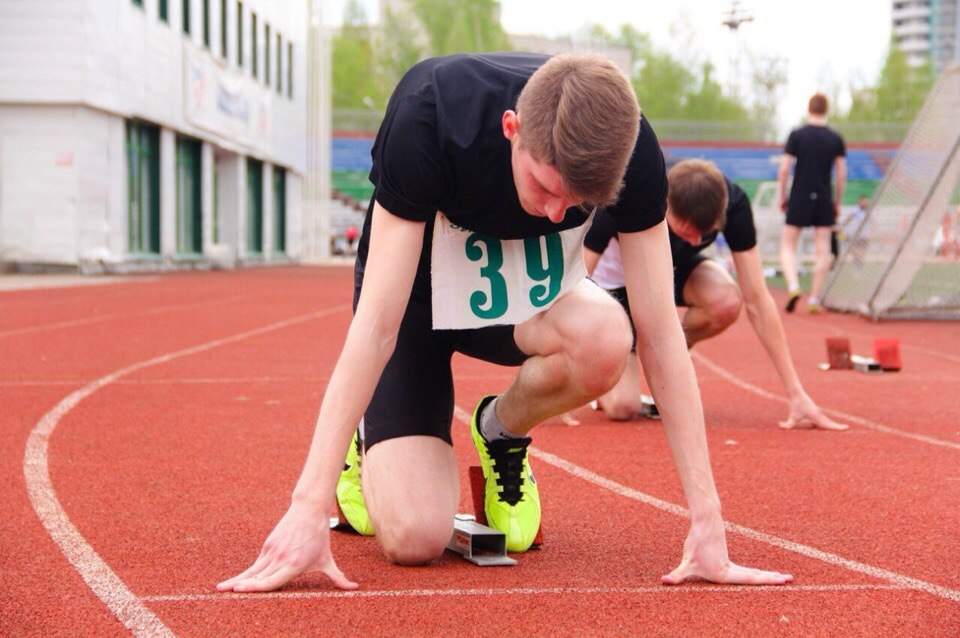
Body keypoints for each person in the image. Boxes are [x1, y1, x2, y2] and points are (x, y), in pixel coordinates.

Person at [217, 52, 791, 593]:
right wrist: (307, 506)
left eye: (579, 203)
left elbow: (661, 333)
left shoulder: (631, 148)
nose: (554, 214)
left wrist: (708, 524)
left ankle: (501, 429)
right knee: (416, 538)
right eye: (544, 186)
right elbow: (375, 326)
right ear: (511, 128)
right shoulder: (430, 113)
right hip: (416, 306)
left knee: (609, 334)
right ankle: (363, 442)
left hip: (520, 305)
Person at [583, 159, 846, 431]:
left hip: (669, 271)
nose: (696, 242)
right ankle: (615, 367)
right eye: (687, 232)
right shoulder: (631, 192)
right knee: (623, 408)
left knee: (726, 299)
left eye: (705, 235)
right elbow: (579, 280)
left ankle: (658, 352)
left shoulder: (733, 203)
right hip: (615, 286)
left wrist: (796, 392)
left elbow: (757, 299)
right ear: (668, 206)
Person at [778, 93, 847, 314]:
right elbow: (841, 174)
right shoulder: (835, 138)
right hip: (824, 196)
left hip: (799, 195)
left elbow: (785, 168)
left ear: (809, 109)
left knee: (788, 245)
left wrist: (782, 195)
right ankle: (814, 298)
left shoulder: (797, 135)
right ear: (826, 110)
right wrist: (837, 201)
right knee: (823, 250)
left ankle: (794, 286)